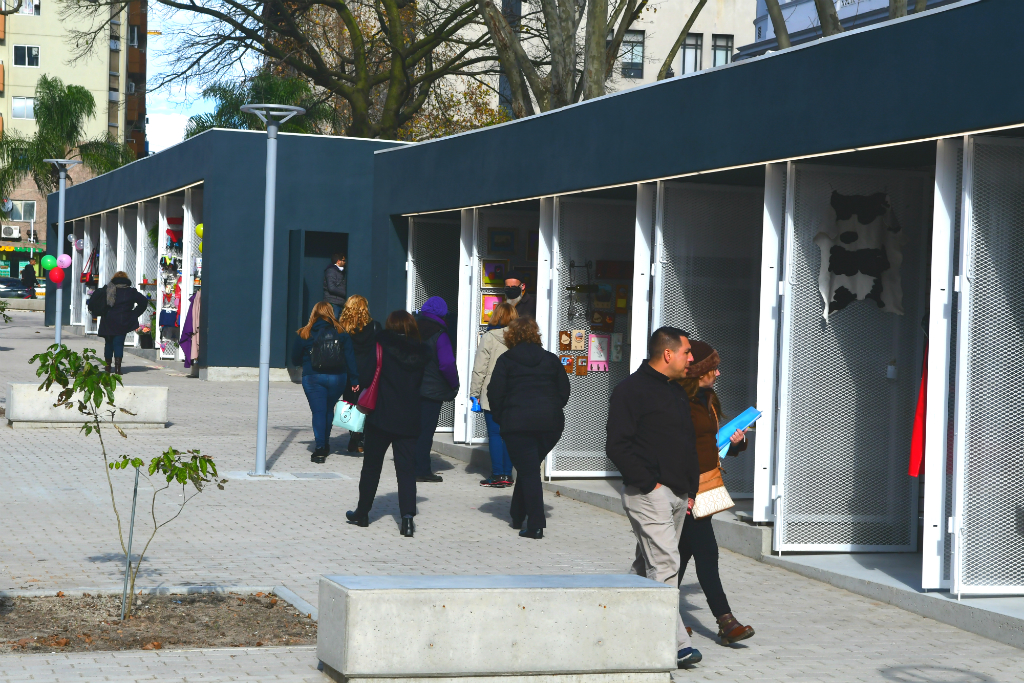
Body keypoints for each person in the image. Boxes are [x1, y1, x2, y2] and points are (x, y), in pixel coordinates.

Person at [605, 327, 703, 667]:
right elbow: (617, 444)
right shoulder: (630, 391)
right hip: (649, 494)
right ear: (667, 354)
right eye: (687, 352)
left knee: (646, 565)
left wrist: (689, 489)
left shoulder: (675, 391)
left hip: (677, 494)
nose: (691, 358)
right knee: (665, 566)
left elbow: (684, 443)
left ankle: (618, 620)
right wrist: (649, 485)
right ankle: (674, 645)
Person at [677, 340, 755, 646]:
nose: (718, 373)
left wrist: (736, 443)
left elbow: (710, 443)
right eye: (713, 368)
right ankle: (726, 621)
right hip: (687, 487)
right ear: (698, 371)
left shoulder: (706, 399)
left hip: (706, 485)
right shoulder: (680, 402)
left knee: (680, 556)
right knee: (705, 553)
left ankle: (656, 612)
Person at [346, 311, 431, 537]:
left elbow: (364, 377)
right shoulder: (421, 352)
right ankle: (407, 519)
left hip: (381, 417)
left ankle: (362, 513)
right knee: (406, 469)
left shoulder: (380, 347)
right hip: (410, 418)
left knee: (372, 466)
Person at [487, 317, 570, 539]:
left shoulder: (506, 360)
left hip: (517, 423)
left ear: (511, 335)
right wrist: (551, 408)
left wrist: (502, 417)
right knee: (529, 467)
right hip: (549, 424)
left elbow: (495, 393)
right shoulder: (551, 359)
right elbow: (564, 391)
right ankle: (517, 514)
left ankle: (535, 524)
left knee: (529, 470)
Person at [291, 302, 359, 463]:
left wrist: (303, 364)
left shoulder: (305, 333)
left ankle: (321, 448)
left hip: (313, 377)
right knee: (329, 409)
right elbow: (350, 358)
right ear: (331, 313)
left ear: (314, 313)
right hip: (338, 377)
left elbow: (295, 358)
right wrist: (354, 379)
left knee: (319, 412)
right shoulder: (342, 333)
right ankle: (325, 442)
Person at [471, 302, 518, 488]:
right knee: (509, 434)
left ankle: (498, 474)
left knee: (495, 434)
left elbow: (480, 368)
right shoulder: (519, 338)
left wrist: (474, 392)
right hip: (514, 391)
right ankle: (508, 474)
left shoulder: (489, 337)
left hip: (492, 391)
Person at [413, 296, 459, 483]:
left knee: (413, 429)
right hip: (431, 392)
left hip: (411, 387)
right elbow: (447, 363)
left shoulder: (412, 331)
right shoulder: (440, 335)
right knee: (426, 432)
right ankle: (422, 469)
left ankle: (409, 464)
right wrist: (454, 383)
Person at [338, 294, 382, 453]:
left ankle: (354, 438)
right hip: (369, 371)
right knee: (367, 405)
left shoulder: (341, 327)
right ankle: (361, 438)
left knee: (350, 403)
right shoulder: (375, 327)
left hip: (349, 372)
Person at [89, 271, 149, 375]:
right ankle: (118, 368)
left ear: (114, 279)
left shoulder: (107, 289)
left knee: (108, 343)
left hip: (107, 320)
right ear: (126, 280)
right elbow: (143, 302)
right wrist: (134, 314)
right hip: (123, 320)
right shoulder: (130, 291)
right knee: (118, 344)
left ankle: (107, 367)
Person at [323, 253, 348, 318]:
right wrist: (346, 293)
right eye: (343, 260)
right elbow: (331, 288)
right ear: (339, 261)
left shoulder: (341, 272)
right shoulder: (331, 271)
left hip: (340, 303)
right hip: (333, 303)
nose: (345, 262)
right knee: (333, 323)